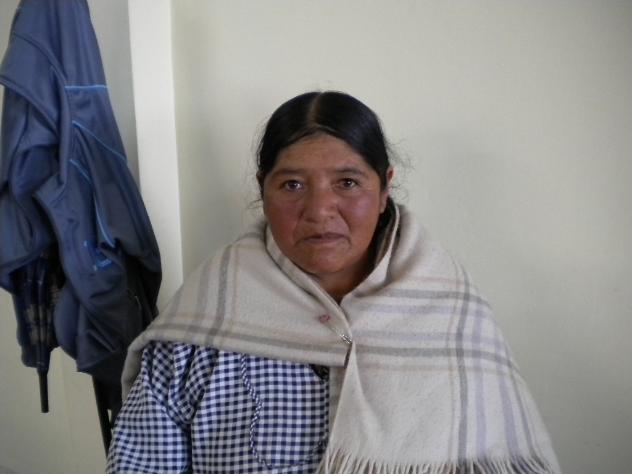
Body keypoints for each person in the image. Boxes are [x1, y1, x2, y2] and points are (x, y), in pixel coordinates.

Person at [106, 91, 560, 473]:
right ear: (263, 189)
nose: (320, 210)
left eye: (347, 182)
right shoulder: (199, 325)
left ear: (384, 189)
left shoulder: (452, 316)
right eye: (292, 185)